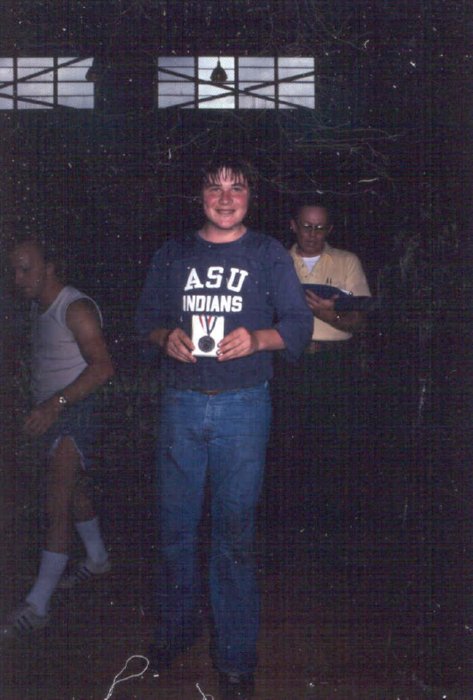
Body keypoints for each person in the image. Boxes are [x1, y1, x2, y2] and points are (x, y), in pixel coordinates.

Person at [136, 157, 312, 699]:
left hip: (244, 407)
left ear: (251, 196)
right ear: (199, 195)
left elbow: (299, 324)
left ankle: (235, 658)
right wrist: (165, 336)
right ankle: (177, 629)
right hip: (181, 406)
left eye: (237, 187)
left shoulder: (267, 254)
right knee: (175, 530)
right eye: (215, 186)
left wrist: (257, 339)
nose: (226, 197)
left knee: (234, 537)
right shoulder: (173, 253)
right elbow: (144, 322)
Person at [3, 237, 114, 638]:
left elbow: (103, 367)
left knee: (56, 501)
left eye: (26, 268)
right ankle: (97, 559)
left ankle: (38, 603)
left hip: (75, 412)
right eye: (14, 270)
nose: (18, 278)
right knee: (74, 492)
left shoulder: (75, 308)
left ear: (50, 267)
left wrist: (55, 404)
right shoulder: (38, 306)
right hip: (54, 412)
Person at [273, 200, 371, 526]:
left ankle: (329, 523)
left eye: (319, 228)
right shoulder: (275, 260)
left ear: (329, 229)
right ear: (293, 226)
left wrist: (330, 315)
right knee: (286, 442)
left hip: (334, 364)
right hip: (288, 361)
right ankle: (286, 521)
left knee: (333, 445)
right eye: (306, 226)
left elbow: (361, 322)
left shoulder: (347, 261)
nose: (312, 234)